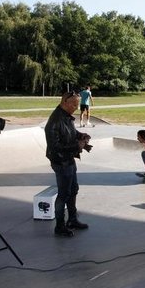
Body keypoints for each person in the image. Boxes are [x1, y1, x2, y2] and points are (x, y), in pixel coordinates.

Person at [45, 90, 91, 237]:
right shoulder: (54, 121)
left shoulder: (65, 116)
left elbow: (71, 131)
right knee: (63, 194)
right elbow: (55, 147)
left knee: (73, 189)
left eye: (78, 104)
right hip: (60, 161)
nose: (77, 107)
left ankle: (72, 219)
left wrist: (80, 135)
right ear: (65, 102)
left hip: (69, 159)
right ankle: (59, 226)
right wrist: (77, 146)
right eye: (75, 104)